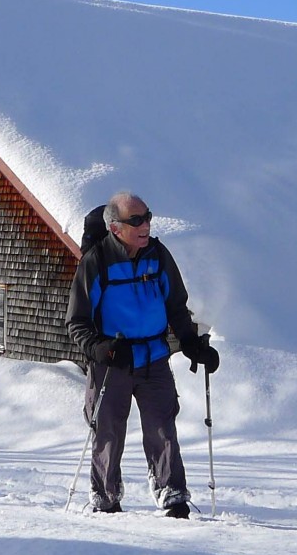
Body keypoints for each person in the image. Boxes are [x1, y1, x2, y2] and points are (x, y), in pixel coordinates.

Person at [66, 191, 220, 519]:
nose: (145, 225)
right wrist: (99, 348)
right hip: (112, 363)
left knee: (163, 427)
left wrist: (192, 343)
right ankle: (105, 498)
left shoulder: (158, 255)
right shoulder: (96, 262)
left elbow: (176, 305)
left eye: (147, 216)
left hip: (154, 358)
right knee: (107, 431)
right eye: (136, 220)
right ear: (115, 227)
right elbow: (77, 322)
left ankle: (173, 495)